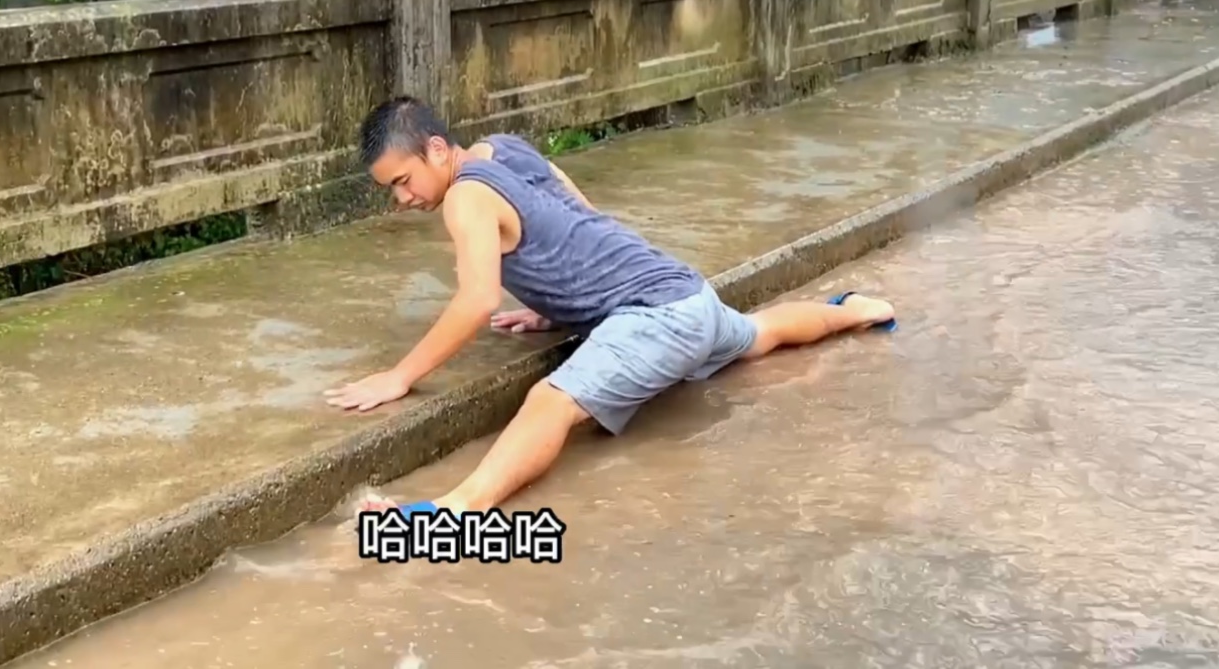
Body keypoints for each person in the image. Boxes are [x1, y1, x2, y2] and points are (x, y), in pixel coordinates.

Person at [324, 97, 897, 516]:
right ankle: (857, 311)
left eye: (402, 181)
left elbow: (477, 300)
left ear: (437, 150)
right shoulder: (505, 151)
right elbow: (579, 216)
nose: (400, 199)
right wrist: (556, 303)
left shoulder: (465, 198)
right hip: (684, 292)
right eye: (390, 190)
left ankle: (456, 511)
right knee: (756, 333)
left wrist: (400, 377)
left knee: (548, 402)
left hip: (655, 317)